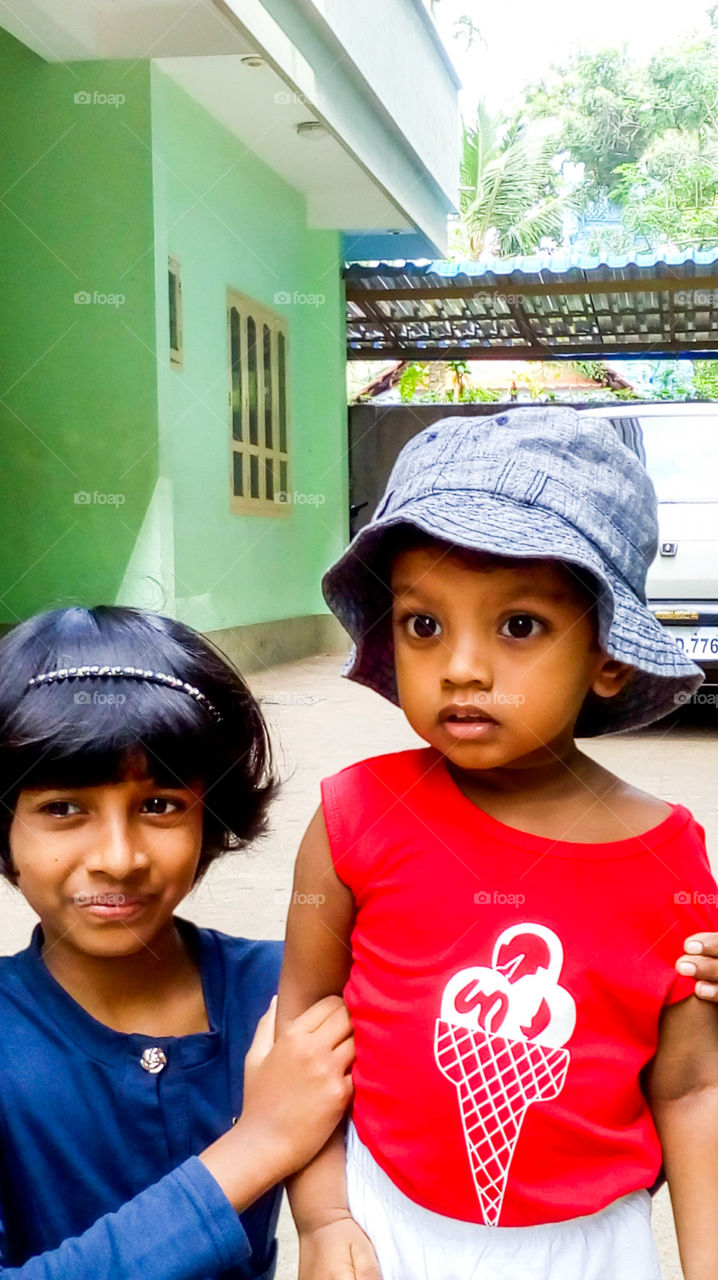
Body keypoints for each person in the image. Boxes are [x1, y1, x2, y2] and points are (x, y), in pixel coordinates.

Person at [278, 407, 718, 1280]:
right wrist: (324, 1219)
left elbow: (693, 1086)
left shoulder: (670, 857)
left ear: (609, 657)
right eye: (423, 624)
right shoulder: (356, 816)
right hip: (382, 1223)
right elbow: (301, 1029)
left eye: (518, 626)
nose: (461, 667)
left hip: (594, 1247)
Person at [0, 604, 354, 1279]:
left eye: (159, 804)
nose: (117, 857)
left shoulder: (284, 991)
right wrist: (259, 1145)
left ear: (210, 815)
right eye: (62, 808)